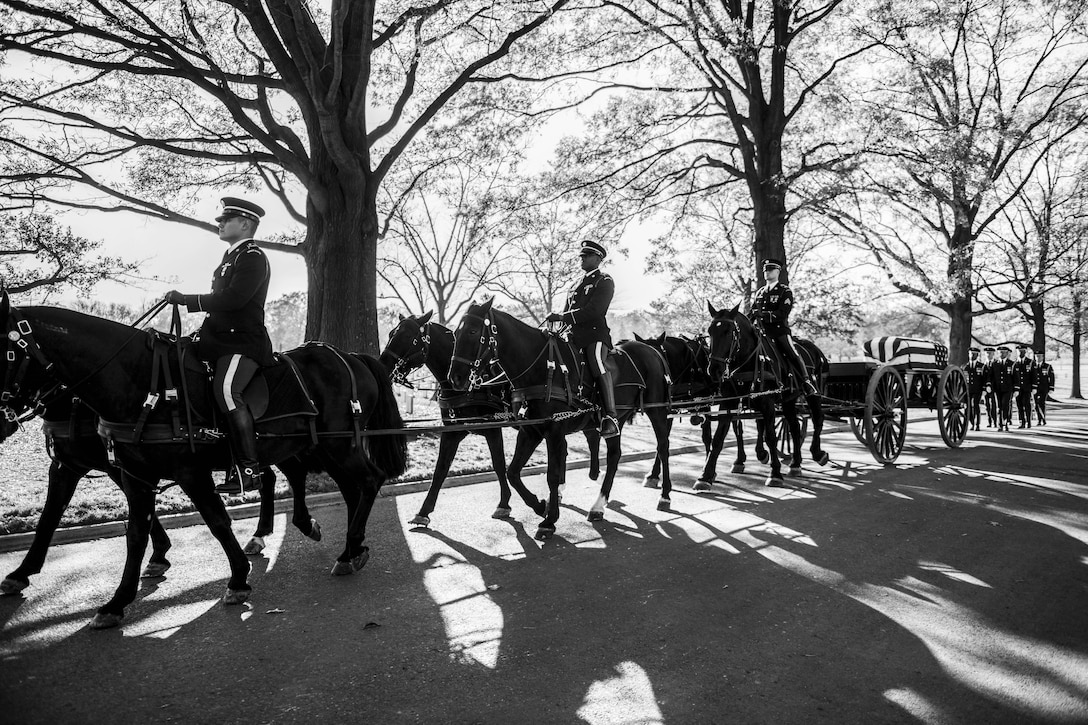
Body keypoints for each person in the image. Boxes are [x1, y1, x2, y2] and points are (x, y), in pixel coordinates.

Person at [165, 196, 275, 495]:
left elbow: (234, 299)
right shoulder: (230, 257)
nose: (221, 224)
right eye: (221, 219)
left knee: (227, 390)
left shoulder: (252, 257)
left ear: (245, 224)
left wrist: (189, 300)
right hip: (219, 341)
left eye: (226, 220)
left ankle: (249, 470)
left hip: (243, 342)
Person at [546, 240, 620, 438]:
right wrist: (557, 327)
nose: (582, 259)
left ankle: (610, 416)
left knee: (596, 362)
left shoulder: (604, 281)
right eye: (581, 256)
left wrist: (563, 317)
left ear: (598, 259)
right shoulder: (575, 285)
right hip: (571, 336)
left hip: (594, 336)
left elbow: (596, 310)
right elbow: (566, 311)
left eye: (586, 256)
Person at [750, 258, 817, 396]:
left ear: (777, 271)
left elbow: (783, 312)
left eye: (770, 270)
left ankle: (806, 381)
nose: (767, 273)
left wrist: (765, 315)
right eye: (765, 270)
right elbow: (752, 313)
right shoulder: (760, 293)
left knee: (792, 352)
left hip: (779, 331)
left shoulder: (784, 291)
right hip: (763, 333)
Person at [989, 345, 1016, 432]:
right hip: (997, 389)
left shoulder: (1012, 364)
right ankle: (1000, 424)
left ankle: (1005, 422)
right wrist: (989, 385)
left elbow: (1016, 377)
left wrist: (1016, 389)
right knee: (999, 407)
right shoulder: (994, 364)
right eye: (1000, 352)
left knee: (1005, 405)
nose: (1002, 354)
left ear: (1007, 353)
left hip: (1008, 389)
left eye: (1004, 352)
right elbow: (991, 376)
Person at [1013, 345, 1037, 429]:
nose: (1020, 353)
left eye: (1022, 351)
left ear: (1025, 352)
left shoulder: (1030, 362)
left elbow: (1034, 375)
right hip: (1018, 389)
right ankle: (1021, 422)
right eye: (1019, 351)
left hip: (1027, 388)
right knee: (1019, 405)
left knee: (1027, 404)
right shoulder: (1015, 363)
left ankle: (1028, 421)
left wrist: (1034, 387)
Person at [965, 346, 986, 432]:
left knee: (976, 405)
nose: (972, 355)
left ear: (977, 355)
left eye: (974, 354)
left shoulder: (981, 366)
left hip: (978, 389)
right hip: (968, 390)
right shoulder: (965, 366)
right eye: (971, 354)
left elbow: (984, 378)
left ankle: (977, 424)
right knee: (968, 407)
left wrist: (984, 389)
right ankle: (972, 422)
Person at [1034, 349, 1055, 425]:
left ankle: (1042, 418)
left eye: (1039, 356)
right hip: (1035, 388)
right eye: (1036, 356)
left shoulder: (1047, 366)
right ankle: (1039, 419)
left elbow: (1051, 377)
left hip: (1044, 388)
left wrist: (1051, 387)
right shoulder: (1032, 366)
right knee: (1036, 404)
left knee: (1041, 402)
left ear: (1042, 357)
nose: (1038, 358)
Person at [982, 346, 998, 427]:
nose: (988, 355)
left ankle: (995, 421)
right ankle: (989, 421)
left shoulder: (996, 364)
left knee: (993, 405)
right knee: (987, 405)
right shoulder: (983, 365)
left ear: (993, 354)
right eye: (987, 353)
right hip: (985, 388)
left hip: (994, 388)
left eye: (990, 353)